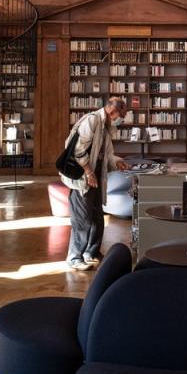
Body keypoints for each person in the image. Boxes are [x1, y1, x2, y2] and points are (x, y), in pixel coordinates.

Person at [60, 97, 128, 271]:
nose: (121, 120)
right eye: (121, 115)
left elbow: (106, 154)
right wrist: (89, 172)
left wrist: (117, 161)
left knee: (97, 216)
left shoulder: (106, 126)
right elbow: (77, 150)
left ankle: (91, 252)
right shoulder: (92, 120)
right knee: (82, 218)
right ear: (112, 111)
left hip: (96, 174)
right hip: (83, 175)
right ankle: (74, 257)